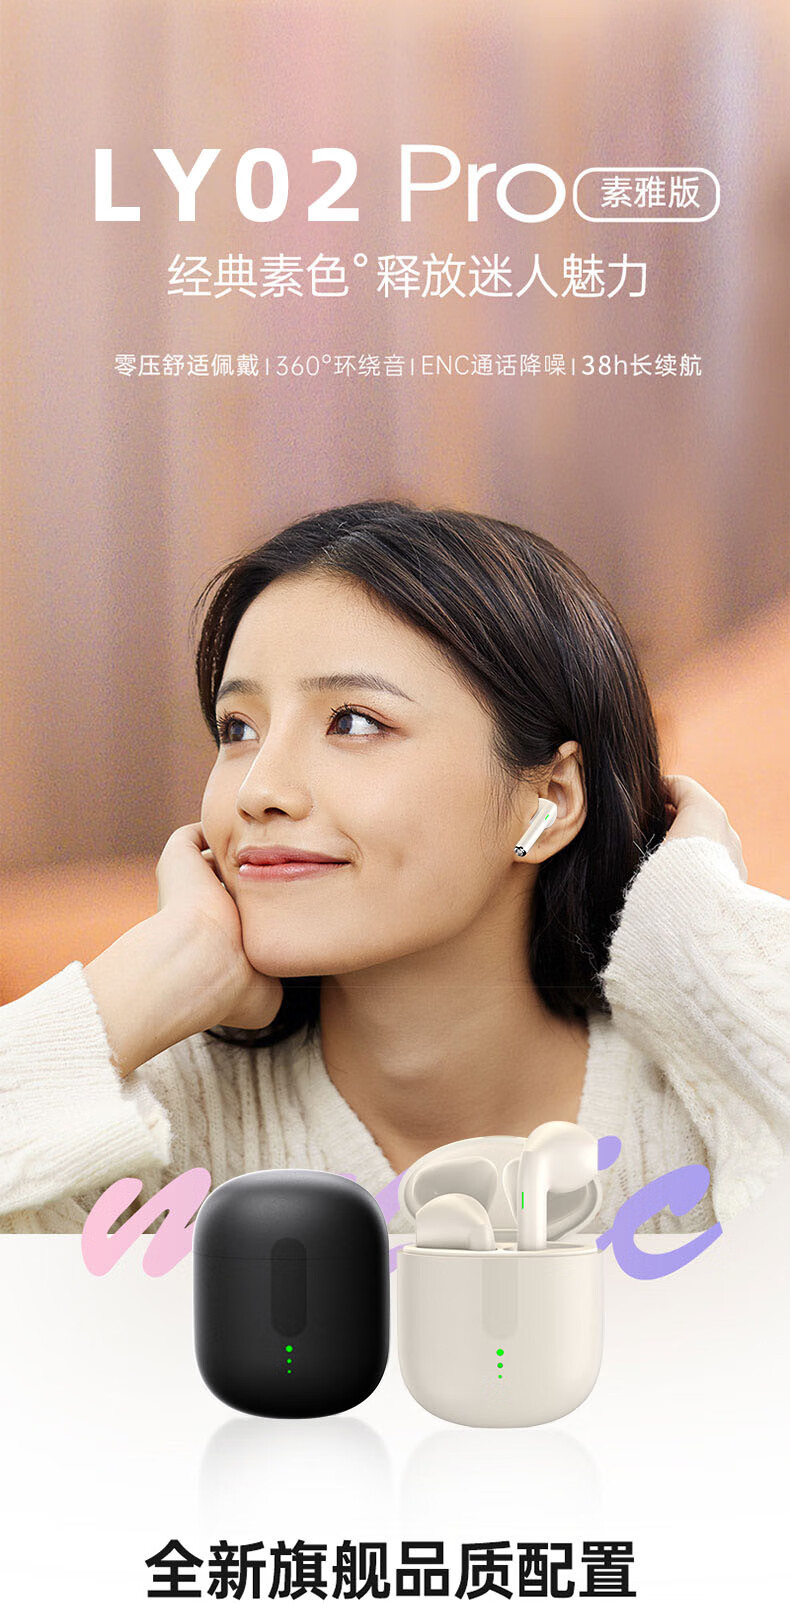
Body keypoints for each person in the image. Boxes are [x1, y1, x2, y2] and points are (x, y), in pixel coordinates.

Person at [2, 500, 788, 1234]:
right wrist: (137, 991)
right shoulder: (142, 1121)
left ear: (549, 800)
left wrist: (696, 931)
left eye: (353, 721)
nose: (258, 790)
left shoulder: (711, 1098)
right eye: (238, 728)